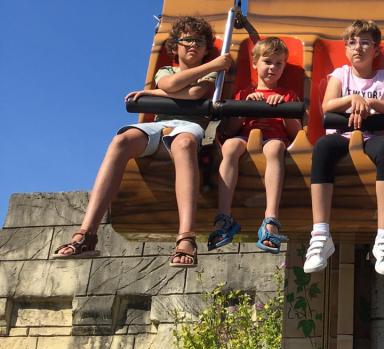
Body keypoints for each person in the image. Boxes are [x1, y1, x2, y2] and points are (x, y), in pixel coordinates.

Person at [54, 16, 231, 267]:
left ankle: (186, 237)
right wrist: (211, 65)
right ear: (175, 46)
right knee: (121, 140)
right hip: (158, 125)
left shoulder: (211, 75)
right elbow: (171, 83)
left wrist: (154, 93)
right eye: (188, 40)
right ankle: (87, 233)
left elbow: (196, 93)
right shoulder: (169, 71)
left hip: (188, 126)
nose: (193, 44)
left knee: (184, 144)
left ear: (205, 49)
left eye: (199, 41)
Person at [303, 20, 384, 277]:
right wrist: (352, 98)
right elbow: (327, 105)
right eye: (352, 43)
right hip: (343, 135)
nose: (358, 47)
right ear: (346, 49)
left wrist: (371, 103)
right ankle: (320, 234)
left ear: (376, 50)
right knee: (322, 147)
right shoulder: (341, 75)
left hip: (374, 135)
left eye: (365, 43)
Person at [208, 36, 301, 253]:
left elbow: (296, 133)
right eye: (267, 62)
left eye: (279, 64)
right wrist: (244, 109)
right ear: (255, 64)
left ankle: (270, 219)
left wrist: (283, 109)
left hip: (274, 138)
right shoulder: (243, 94)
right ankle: (224, 216)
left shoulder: (287, 94)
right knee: (230, 146)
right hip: (246, 137)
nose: (273, 68)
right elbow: (229, 130)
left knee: (274, 148)